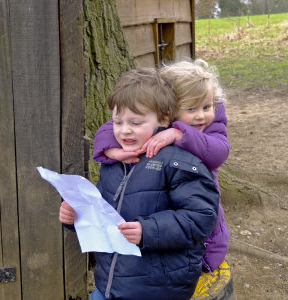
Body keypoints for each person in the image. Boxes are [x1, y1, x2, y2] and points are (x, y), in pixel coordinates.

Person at [59, 68, 220, 300]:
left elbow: (201, 217)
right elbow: (105, 211)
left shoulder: (179, 161)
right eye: (117, 121)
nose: (125, 130)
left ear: (164, 119)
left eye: (136, 122)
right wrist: (77, 216)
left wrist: (148, 230)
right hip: (110, 283)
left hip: (158, 288)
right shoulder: (114, 160)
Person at [93, 59, 230, 274]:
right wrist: (111, 150)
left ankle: (205, 257)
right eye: (191, 108)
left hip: (204, 230)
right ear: (169, 111)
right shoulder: (149, 121)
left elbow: (219, 151)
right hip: (158, 227)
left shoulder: (208, 123)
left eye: (207, 106)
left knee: (195, 226)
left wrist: (179, 133)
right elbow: (111, 127)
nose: (201, 115)